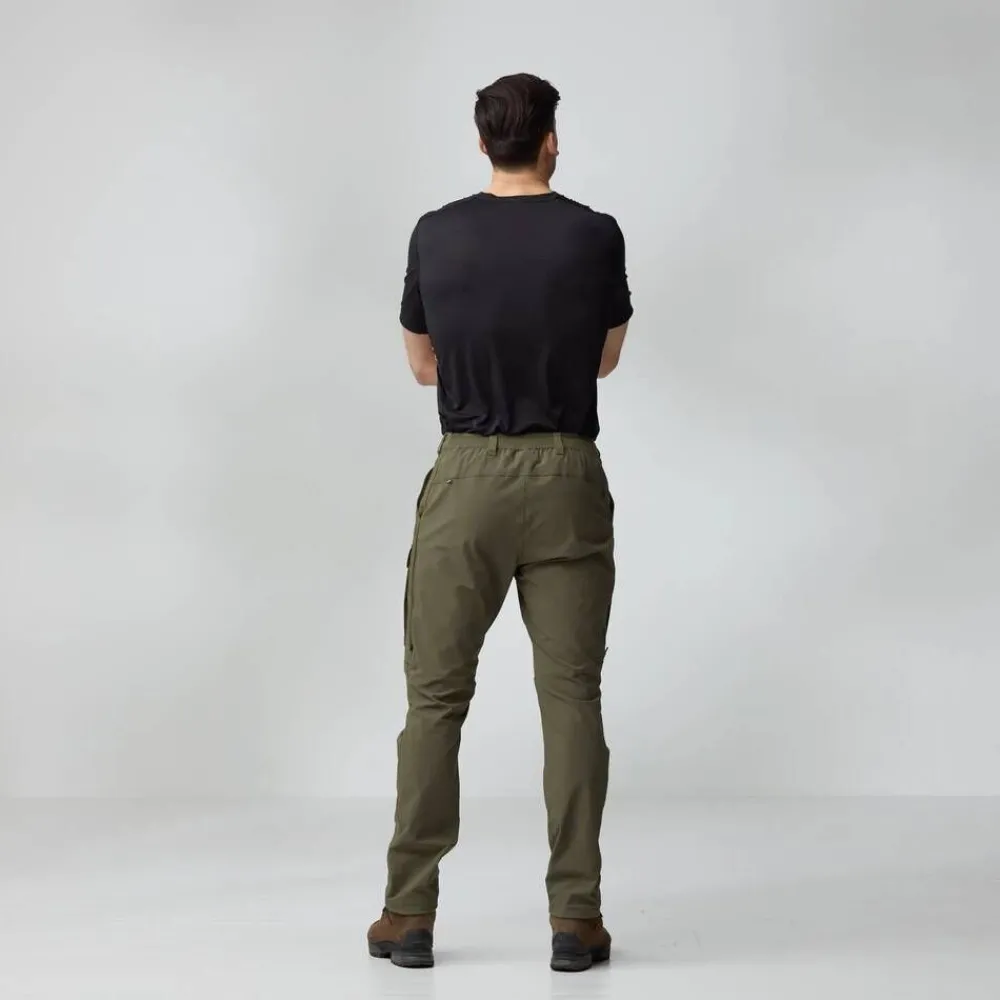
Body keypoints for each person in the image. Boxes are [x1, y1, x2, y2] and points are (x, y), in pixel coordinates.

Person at [367, 72, 633, 973]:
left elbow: (421, 366)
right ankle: (576, 918)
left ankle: (408, 913)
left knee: (436, 699)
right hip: (566, 472)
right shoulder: (594, 234)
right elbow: (605, 358)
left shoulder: (435, 233)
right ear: (550, 140)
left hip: (467, 474)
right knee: (573, 697)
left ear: (483, 143)